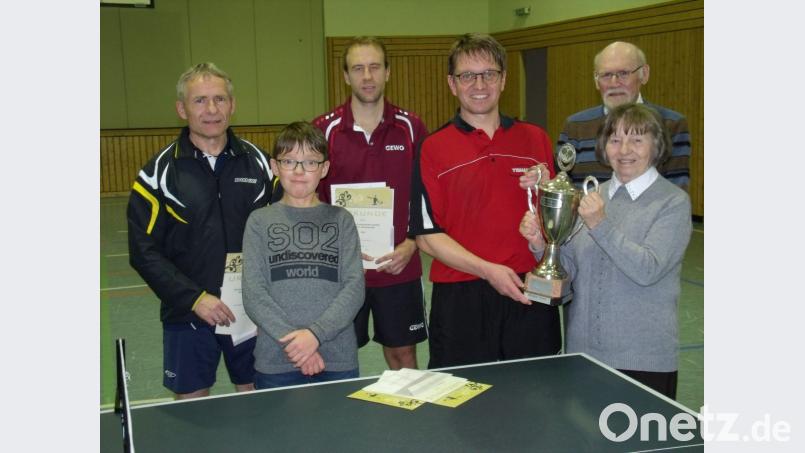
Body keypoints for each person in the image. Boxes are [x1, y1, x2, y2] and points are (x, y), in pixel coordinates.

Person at [409, 33, 560, 369]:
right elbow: (426, 236)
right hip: (461, 295)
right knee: (463, 405)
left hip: (531, 289)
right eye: (467, 75)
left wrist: (548, 188)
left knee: (537, 395)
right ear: (452, 83)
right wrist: (488, 270)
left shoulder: (536, 139)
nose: (479, 84)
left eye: (489, 74)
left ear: (503, 79)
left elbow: (558, 222)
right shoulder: (432, 147)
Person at [520, 103, 692, 399]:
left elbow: (647, 270)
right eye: (615, 140)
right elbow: (570, 273)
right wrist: (541, 245)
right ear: (603, 147)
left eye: (637, 139)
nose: (624, 149)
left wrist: (600, 224)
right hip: (583, 358)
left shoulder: (672, 202)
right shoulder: (590, 196)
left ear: (657, 146)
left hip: (642, 363)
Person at [127, 62, 274, 399]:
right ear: (181, 109)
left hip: (252, 312)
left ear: (233, 105)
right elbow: (143, 251)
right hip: (188, 313)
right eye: (199, 101)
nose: (211, 110)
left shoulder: (263, 165)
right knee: (192, 407)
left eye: (220, 100)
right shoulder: (157, 174)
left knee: (259, 400)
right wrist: (193, 298)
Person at [312, 37, 429, 370]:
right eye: (358, 68)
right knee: (338, 356)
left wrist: (411, 243)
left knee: (403, 355)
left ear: (387, 72)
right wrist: (334, 250)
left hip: (399, 265)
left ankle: (408, 421)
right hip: (342, 272)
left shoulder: (411, 127)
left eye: (374, 67)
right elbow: (309, 199)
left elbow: (427, 196)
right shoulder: (324, 130)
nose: (367, 76)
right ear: (346, 76)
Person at [242, 122, 364, 389]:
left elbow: (354, 288)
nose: (299, 171)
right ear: (275, 167)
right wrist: (298, 344)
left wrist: (315, 336)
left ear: (325, 168)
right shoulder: (259, 221)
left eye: (310, 162)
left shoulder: (341, 220)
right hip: (277, 360)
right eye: (289, 161)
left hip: (337, 359)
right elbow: (254, 293)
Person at [557, 41, 690, 190]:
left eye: (623, 73)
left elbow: (675, 194)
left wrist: (604, 214)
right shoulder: (575, 126)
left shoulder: (671, 124)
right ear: (596, 80)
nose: (614, 83)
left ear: (644, 74)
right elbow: (562, 187)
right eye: (606, 75)